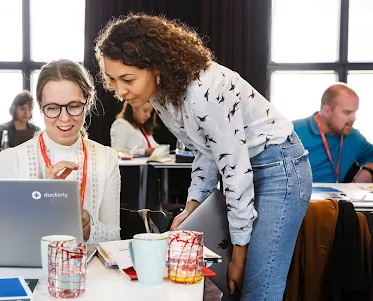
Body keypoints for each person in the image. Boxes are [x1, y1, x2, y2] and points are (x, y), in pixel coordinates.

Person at [95, 14, 311, 300]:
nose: (120, 92)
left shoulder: (204, 90)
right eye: (112, 80)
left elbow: (235, 172)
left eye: (127, 79)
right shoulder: (161, 95)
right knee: (219, 285)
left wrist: (239, 255)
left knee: (258, 289)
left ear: (156, 67)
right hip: (243, 171)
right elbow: (206, 151)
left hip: (279, 168)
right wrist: (192, 207)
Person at [0, 59, 121, 244]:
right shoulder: (11, 160)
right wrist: (41, 204)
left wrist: (83, 219)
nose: (65, 118)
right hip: (29, 270)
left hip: (88, 270)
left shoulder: (106, 159)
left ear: (88, 103)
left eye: (74, 106)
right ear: (40, 107)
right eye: (52, 108)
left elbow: (113, 240)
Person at [293, 83, 373, 183]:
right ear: (327, 111)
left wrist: (369, 170)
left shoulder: (353, 137)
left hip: (335, 197)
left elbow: (371, 156)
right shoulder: (291, 132)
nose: (354, 118)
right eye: (347, 112)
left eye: (355, 112)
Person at [0, 91, 40, 158]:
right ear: (14, 108)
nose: (26, 113)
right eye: (22, 109)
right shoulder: (1, 129)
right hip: (6, 166)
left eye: (29, 109)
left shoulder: (36, 131)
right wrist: (3, 151)